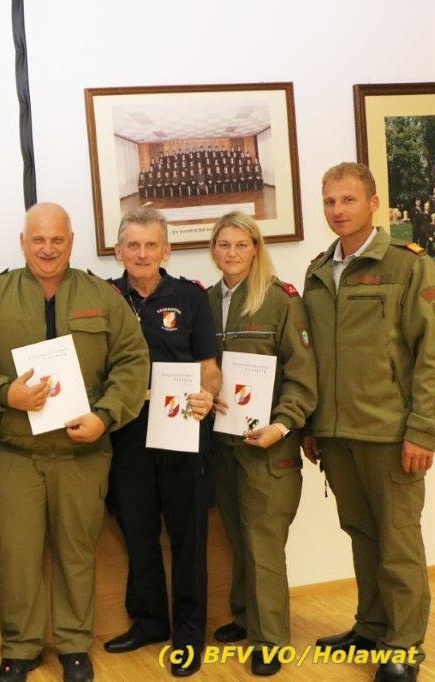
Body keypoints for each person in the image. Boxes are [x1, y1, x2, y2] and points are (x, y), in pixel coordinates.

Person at [0, 202, 149, 682]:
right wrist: (6, 393)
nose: (47, 249)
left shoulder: (102, 297)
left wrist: (106, 417)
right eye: (38, 239)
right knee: (17, 557)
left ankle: (74, 645)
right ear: (23, 242)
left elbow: (132, 362)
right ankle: (19, 648)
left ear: (71, 242)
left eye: (57, 239)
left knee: (76, 555)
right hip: (15, 454)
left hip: (83, 453)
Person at [302, 162, 433, 682]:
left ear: (373, 203)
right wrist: (312, 424)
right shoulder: (318, 270)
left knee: (398, 543)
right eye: (330, 201)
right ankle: (373, 626)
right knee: (361, 534)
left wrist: (423, 429)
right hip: (336, 433)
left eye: (348, 199)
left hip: (390, 431)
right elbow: (312, 355)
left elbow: (430, 354)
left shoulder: (407, 266)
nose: (338, 210)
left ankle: (403, 646)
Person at [102, 207, 220, 678]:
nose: (142, 254)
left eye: (151, 245)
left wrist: (208, 393)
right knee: (138, 529)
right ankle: (150, 621)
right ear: (119, 251)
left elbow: (208, 364)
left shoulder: (190, 296)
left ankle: (189, 633)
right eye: (133, 245)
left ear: (166, 250)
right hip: (127, 429)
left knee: (189, 534)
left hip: (182, 426)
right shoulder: (104, 297)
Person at [206, 212, 317, 676]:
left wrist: (283, 425)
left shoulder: (280, 300)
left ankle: (270, 640)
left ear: (256, 248)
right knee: (238, 535)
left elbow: (302, 377)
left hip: (269, 448)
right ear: (213, 250)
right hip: (224, 446)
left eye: (241, 244)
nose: (231, 253)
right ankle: (246, 617)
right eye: (223, 244)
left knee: (264, 543)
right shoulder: (206, 301)